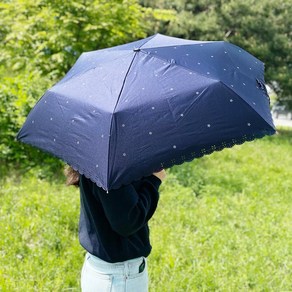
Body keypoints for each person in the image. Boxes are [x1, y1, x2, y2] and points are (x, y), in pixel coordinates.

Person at [64, 166, 166, 292]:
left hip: (103, 269)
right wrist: (154, 181)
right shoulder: (112, 166)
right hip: (119, 277)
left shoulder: (97, 158)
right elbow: (128, 221)